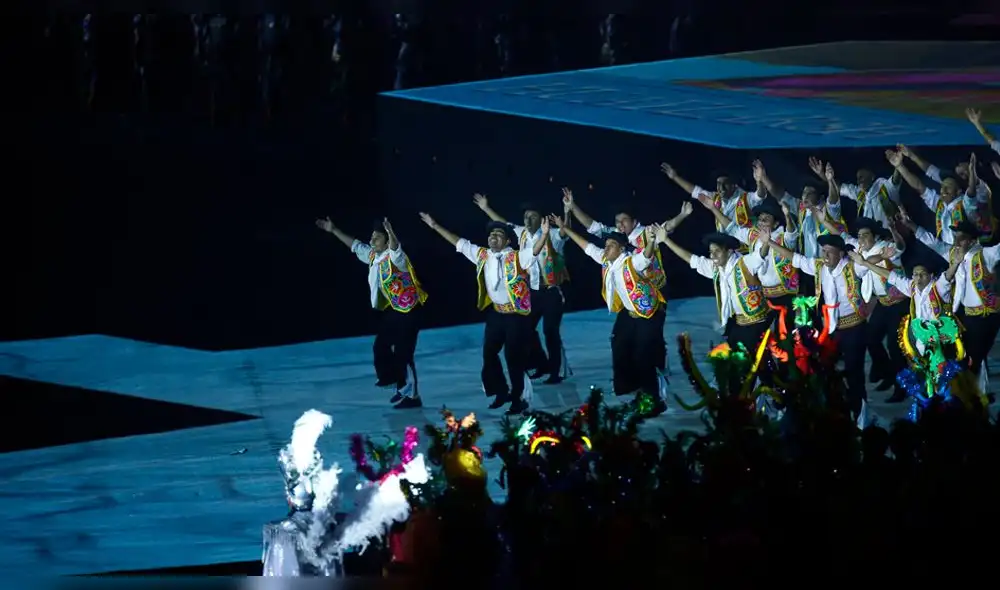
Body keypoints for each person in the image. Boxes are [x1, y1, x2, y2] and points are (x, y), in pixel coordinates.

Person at [420, 212, 550, 414]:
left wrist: (544, 235)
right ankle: (500, 391)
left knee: (513, 359)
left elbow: (534, 251)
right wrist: (435, 224)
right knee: (489, 353)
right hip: (496, 314)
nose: (492, 237)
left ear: (507, 240)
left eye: (498, 235)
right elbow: (459, 243)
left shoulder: (516, 256)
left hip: (517, 315)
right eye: (491, 235)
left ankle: (520, 399)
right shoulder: (482, 255)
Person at [552, 216, 667, 409]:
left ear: (621, 249)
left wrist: (653, 240)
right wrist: (565, 228)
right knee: (619, 344)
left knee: (642, 355)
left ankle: (655, 399)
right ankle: (631, 388)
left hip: (650, 313)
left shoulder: (632, 261)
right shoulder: (606, 259)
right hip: (629, 313)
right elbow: (587, 246)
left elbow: (646, 256)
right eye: (605, 245)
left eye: (611, 245)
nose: (606, 249)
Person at [316, 216, 426, 409]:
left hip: (410, 311)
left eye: (376, 238)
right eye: (372, 237)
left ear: (386, 241)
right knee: (380, 346)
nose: (371, 241)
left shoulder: (397, 258)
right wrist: (334, 230)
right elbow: (355, 246)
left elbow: (395, 249)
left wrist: (391, 232)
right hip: (394, 311)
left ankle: (412, 396)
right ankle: (393, 379)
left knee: (404, 353)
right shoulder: (374, 256)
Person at [766, 234, 871, 418]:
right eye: (823, 251)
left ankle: (860, 416)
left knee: (854, 373)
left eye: (829, 252)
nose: (825, 256)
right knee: (827, 370)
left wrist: (882, 256)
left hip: (854, 328)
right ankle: (835, 412)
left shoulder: (852, 266)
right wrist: (769, 243)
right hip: (833, 330)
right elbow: (795, 258)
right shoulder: (820, 267)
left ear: (840, 253)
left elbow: (869, 264)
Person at [472, 191, 570, 383]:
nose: (527, 219)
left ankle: (556, 371)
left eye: (532, 216)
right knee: (526, 329)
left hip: (551, 292)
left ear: (541, 219)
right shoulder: (521, 233)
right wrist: (485, 208)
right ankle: (542, 363)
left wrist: (567, 212)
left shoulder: (552, 235)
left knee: (550, 331)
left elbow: (565, 231)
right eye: (525, 216)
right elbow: (504, 223)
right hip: (532, 293)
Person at [814, 213, 907, 401]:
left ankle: (901, 387)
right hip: (882, 303)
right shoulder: (858, 249)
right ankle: (887, 372)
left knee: (894, 348)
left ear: (875, 236)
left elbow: (900, 247)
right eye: (860, 235)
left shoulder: (884, 247)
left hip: (898, 304)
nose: (861, 238)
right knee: (872, 339)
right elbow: (841, 237)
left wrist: (895, 233)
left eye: (865, 235)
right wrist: (824, 221)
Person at [907, 218, 999, 399]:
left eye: (962, 238)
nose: (956, 242)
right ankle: (971, 392)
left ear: (973, 241)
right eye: (956, 237)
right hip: (964, 315)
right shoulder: (954, 254)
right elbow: (932, 242)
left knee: (973, 359)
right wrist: (911, 225)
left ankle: (974, 396)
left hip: (985, 317)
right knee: (965, 356)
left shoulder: (985, 254)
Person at [659, 226, 771, 352]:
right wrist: (666, 240)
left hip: (757, 324)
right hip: (737, 323)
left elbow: (760, 255)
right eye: (711, 252)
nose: (713, 255)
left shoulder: (745, 263)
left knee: (758, 364)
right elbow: (692, 259)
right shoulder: (717, 269)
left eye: (717, 251)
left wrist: (766, 243)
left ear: (729, 252)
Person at [697, 195, 800, 324]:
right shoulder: (753, 236)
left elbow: (792, 233)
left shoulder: (783, 238)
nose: (761, 223)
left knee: (786, 335)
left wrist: (788, 216)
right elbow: (733, 228)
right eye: (760, 219)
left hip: (785, 295)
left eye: (766, 219)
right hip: (764, 295)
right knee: (767, 338)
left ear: (776, 223)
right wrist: (713, 209)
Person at [561, 188, 677, 290]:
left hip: (654, 289)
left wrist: (682, 214)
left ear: (634, 222)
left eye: (624, 220)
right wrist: (572, 206)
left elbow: (666, 227)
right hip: (630, 292)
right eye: (617, 221)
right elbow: (592, 226)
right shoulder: (616, 234)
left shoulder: (646, 232)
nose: (620, 224)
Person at [849, 252, 956, 357]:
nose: (918, 277)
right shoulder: (911, 286)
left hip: (941, 339)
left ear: (931, 275)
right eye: (915, 274)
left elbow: (947, 276)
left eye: (922, 274)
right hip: (922, 340)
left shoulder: (938, 287)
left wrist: (955, 263)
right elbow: (890, 275)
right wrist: (864, 263)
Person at [888, 148, 989, 245]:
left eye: (965, 173)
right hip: (951, 252)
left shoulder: (965, 203)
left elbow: (971, 194)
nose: (943, 190)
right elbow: (920, 186)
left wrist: (972, 172)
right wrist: (900, 165)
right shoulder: (941, 204)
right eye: (942, 187)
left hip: (972, 248)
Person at [660, 162, 764, 237]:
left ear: (733, 185)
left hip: (745, 251)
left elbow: (759, 196)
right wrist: (675, 177)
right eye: (719, 184)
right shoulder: (715, 198)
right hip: (727, 251)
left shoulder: (745, 198)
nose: (721, 188)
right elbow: (695, 191)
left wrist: (760, 182)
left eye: (725, 184)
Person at [815, 155, 901, 228]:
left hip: (889, 239)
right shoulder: (859, 193)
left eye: (861, 177)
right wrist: (822, 174)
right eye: (857, 178)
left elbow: (895, 180)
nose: (859, 181)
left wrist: (898, 165)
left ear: (872, 177)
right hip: (870, 240)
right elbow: (837, 187)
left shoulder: (883, 187)